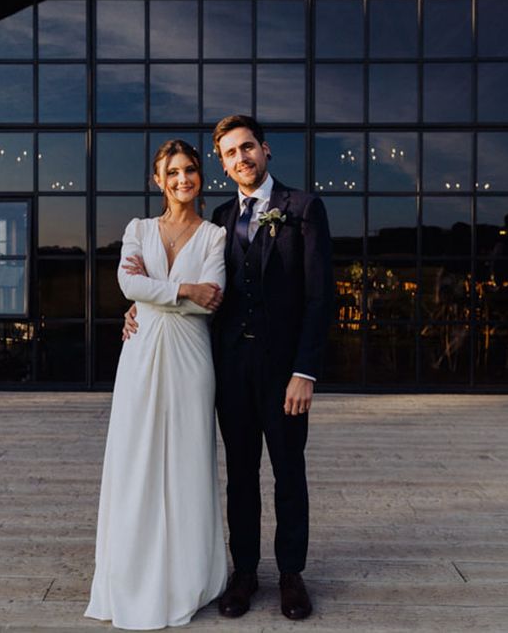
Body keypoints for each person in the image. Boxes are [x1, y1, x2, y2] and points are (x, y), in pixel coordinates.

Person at [124, 116, 334, 621]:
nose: (240, 159)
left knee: (288, 472)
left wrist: (305, 371)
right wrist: (140, 307)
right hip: (228, 370)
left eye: (247, 149)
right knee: (240, 475)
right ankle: (244, 574)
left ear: (264, 150)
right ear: (223, 163)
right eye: (229, 154)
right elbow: (198, 287)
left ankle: (290, 575)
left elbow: (319, 297)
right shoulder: (219, 217)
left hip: (284, 373)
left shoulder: (302, 209)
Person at [85, 140, 228, 629]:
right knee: (136, 457)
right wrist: (182, 289)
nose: (183, 179)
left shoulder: (214, 235)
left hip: (191, 356)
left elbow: (212, 300)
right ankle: (131, 572)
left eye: (190, 170)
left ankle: (189, 576)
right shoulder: (138, 229)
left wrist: (158, 294)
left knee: (188, 461)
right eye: (173, 172)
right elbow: (129, 286)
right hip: (141, 353)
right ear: (158, 180)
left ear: (200, 177)